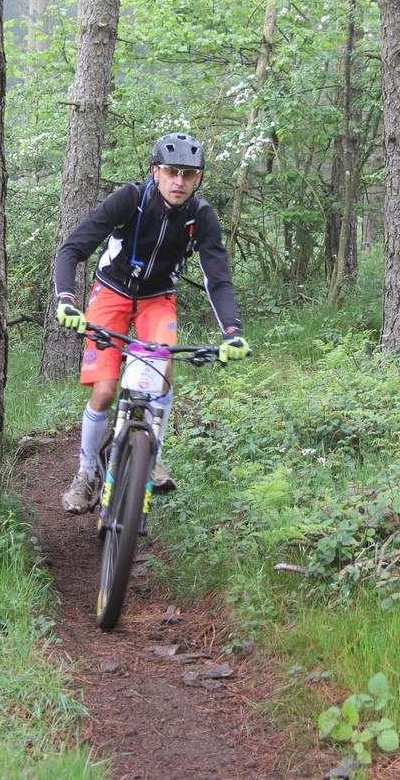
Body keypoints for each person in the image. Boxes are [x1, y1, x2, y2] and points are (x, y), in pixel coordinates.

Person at [55, 131, 250, 514]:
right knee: (105, 391)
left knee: (160, 375)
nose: (179, 181)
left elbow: (218, 279)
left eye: (189, 174)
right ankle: (85, 475)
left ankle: (149, 455)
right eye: (172, 171)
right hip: (111, 292)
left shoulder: (200, 216)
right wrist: (66, 299)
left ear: (198, 178)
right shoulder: (130, 199)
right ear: (155, 171)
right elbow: (72, 248)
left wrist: (233, 332)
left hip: (157, 299)